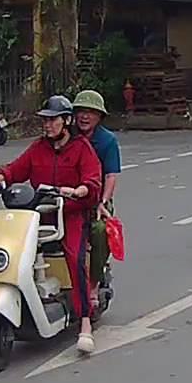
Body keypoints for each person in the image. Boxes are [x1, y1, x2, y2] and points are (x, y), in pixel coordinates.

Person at [0, 95, 103, 353]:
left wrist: (80, 190)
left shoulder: (82, 148)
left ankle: (85, 322)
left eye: (52, 120)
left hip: (70, 214)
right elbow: (14, 170)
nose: (47, 125)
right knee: (4, 252)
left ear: (66, 121)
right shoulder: (38, 148)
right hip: (36, 215)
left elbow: (93, 182)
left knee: (75, 258)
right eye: (45, 120)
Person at [72, 89, 121, 294]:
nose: (85, 116)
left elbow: (111, 175)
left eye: (91, 112)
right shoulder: (67, 136)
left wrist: (103, 202)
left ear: (100, 116)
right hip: (67, 198)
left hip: (95, 200)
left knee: (100, 230)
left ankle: (94, 280)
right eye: (81, 111)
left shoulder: (107, 141)